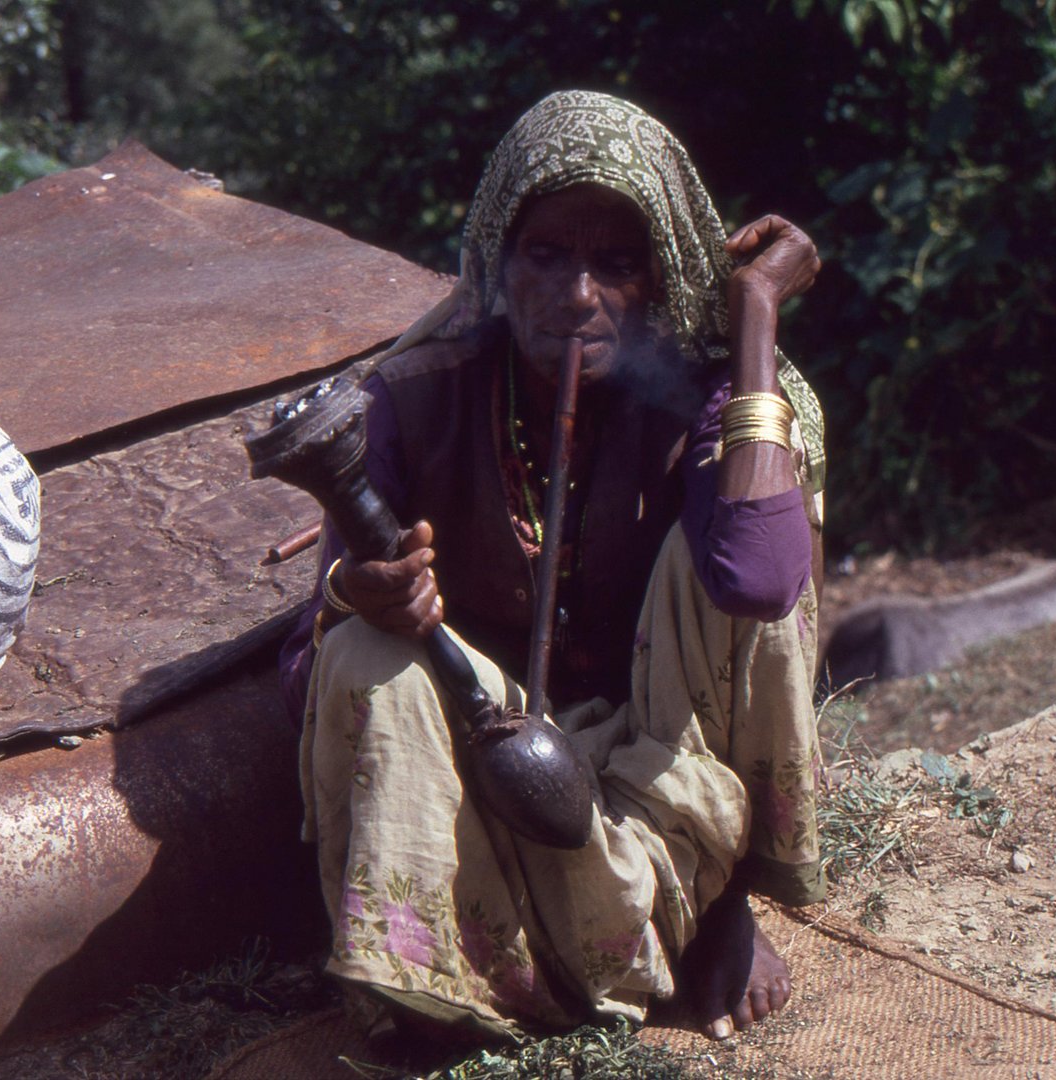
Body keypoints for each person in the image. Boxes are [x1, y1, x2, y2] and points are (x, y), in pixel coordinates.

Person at [275, 90, 828, 1045]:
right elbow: (300, 678)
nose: (578, 297)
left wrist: (754, 316)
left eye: (618, 266)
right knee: (365, 655)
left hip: (665, 766)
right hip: (488, 768)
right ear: (497, 265)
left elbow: (763, 581)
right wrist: (358, 598)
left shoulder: (704, 399)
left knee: (755, 517)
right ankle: (445, 982)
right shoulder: (413, 403)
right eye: (546, 257)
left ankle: (715, 908)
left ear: (660, 281)